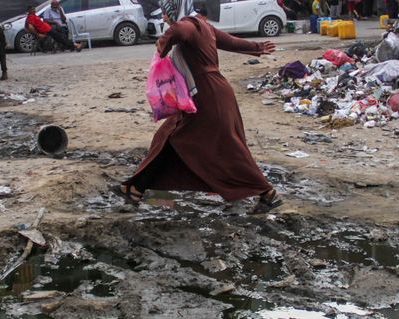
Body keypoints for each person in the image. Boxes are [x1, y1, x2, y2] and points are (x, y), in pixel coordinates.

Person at [116, 0, 282, 214]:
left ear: (174, 11)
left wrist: (162, 44)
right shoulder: (204, 26)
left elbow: (179, 32)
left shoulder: (190, 25)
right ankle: (135, 190)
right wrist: (258, 48)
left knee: (225, 148)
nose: (164, 18)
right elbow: (231, 42)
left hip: (208, 96)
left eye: (166, 14)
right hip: (210, 94)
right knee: (168, 137)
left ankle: (267, 193)